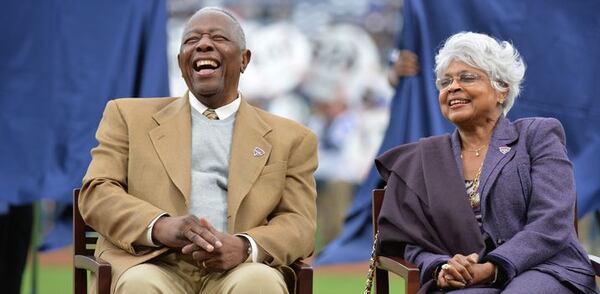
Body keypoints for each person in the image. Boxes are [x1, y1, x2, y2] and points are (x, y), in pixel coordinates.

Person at [79, 7, 317, 294]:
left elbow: (299, 223)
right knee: (139, 284)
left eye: (218, 37)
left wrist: (244, 246)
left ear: (244, 59)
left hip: (240, 269)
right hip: (150, 264)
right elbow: (97, 192)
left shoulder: (292, 138)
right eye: (192, 40)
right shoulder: (127, 117)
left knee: (260, 282)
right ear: (181, 63)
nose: (204, 44)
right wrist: (159, 226)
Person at [375, 32, 597, 293]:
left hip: (545, 269)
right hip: (466, 280)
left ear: (501, 89)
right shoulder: (425, 159)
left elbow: (551, 222)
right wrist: (441, 267)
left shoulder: (537, 136)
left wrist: (493, 268)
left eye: (467, 77)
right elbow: (414, 242)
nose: (453, 87)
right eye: (445, 82)